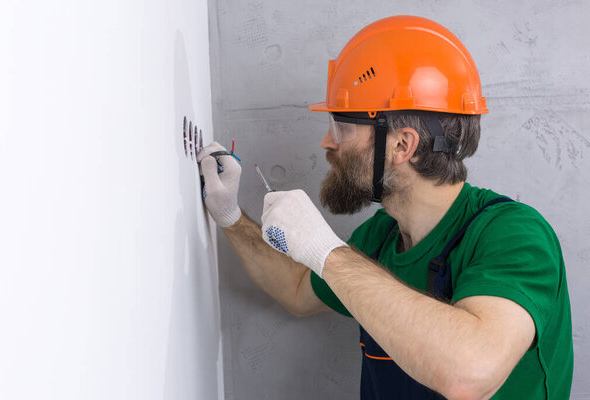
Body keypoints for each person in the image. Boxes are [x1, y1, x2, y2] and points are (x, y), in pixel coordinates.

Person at [197, 15, 573, 400]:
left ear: (401, 145)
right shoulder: (379, 237)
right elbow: (296, 289)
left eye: (341, 127)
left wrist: (328, 252)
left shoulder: (514, 235)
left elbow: (470, 374)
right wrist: (229, 217)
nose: (328, 142)